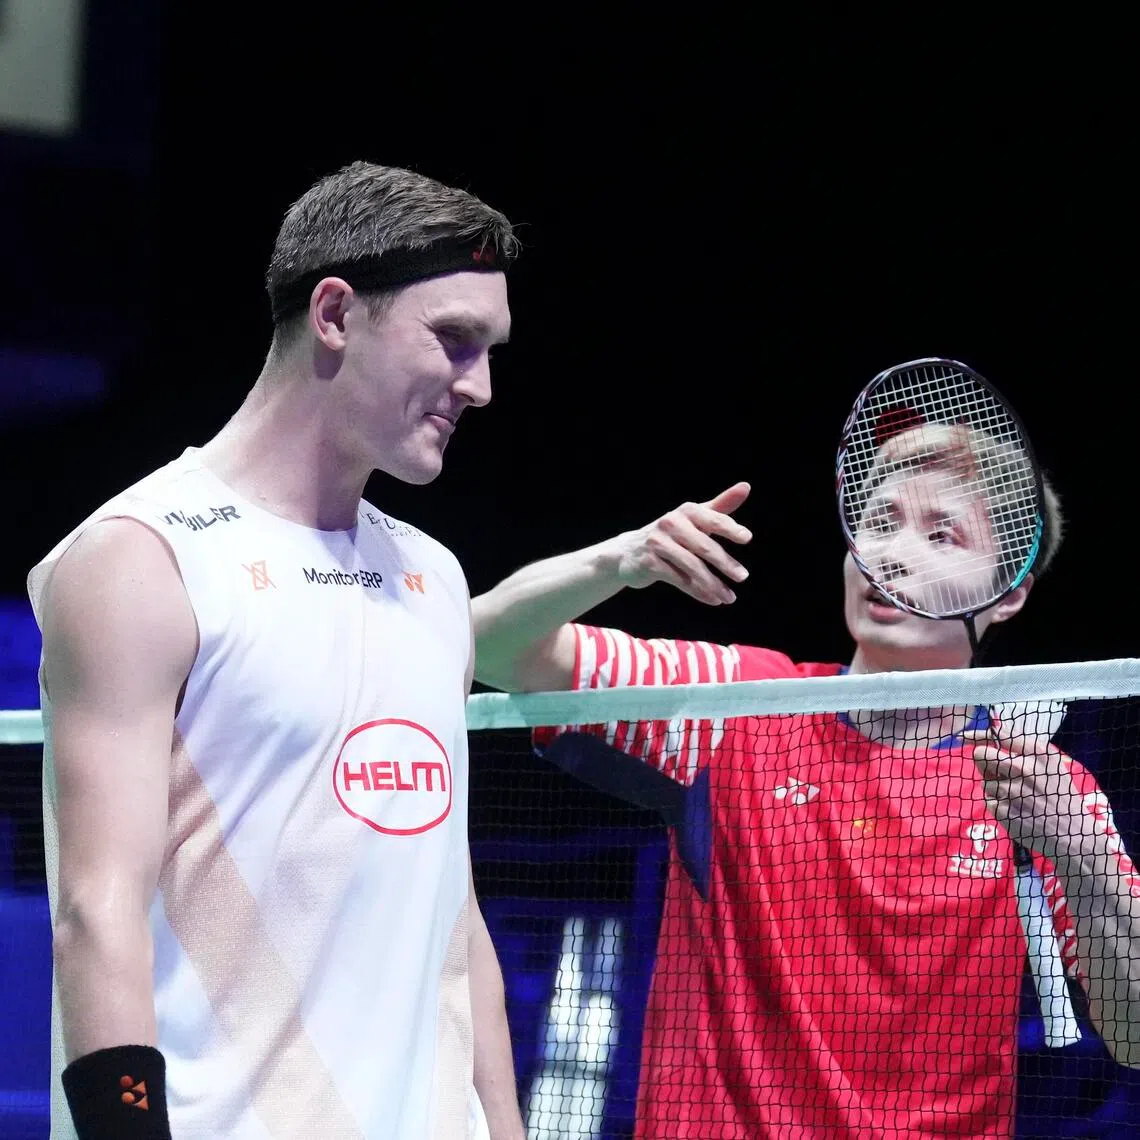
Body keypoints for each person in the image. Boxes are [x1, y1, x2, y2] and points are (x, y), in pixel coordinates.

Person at [28, 161, 525, 1140]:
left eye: (491, 349)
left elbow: (451, 920)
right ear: (335, 313)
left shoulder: (434, 580)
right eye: (455, 342)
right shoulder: (146, 560)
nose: (482, 386)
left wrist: (505, 1127)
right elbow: (98, 910)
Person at [472, 421, 1140, 1138]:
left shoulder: (1036, 787)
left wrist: (1081, 855)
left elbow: (1134, 1035)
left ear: (1009, 594)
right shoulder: (734, 704)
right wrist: (620, 560)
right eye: (880, 523)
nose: (892, 555)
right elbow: (487, 645)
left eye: (941, 536)